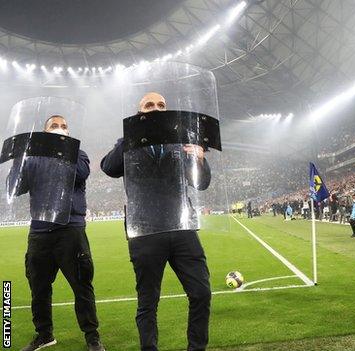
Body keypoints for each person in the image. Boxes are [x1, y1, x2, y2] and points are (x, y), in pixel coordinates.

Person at [100, 92, 212, 351]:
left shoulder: (179, 141)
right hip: (145, 231)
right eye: (149, 105)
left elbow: (201, 183)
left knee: (201, 293)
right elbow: (109, 167)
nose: (156, 108)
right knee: (148, 302)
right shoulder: (129, 142)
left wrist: (200, 160)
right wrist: (131, 136)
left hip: (181, 227)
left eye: (161, 105)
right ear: (140, 112)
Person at [17, 116, 105, 351]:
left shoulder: (79, 153)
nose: (60, 129)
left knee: (82, 286)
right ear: (45, 134)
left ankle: (92, 337)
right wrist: (20, 161)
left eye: (64, 126)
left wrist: (63, 149)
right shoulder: (33, 158)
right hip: (40, 231)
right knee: (39, 288)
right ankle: (44, 335)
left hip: (70, 230)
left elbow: (81, 174)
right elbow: (16, 188)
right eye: (54, 126)